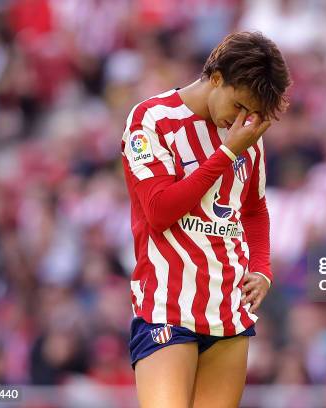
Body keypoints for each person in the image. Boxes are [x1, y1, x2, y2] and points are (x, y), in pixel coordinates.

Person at [121, 31, 291, 407]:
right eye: (240, 104)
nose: (242, 118)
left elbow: (254, 209)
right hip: (167, 308)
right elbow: (159, 211)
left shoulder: (247, 135)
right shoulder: (151, 120)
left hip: (229, 311)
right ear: (216, 78)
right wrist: (227, 152)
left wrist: (262, 267)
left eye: (253, 113)